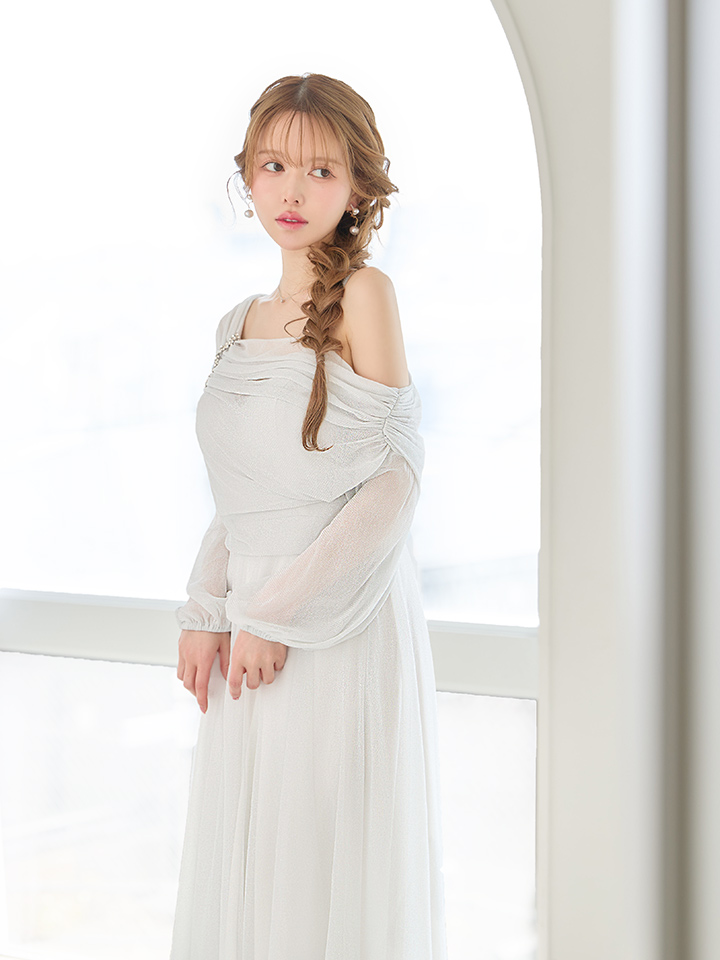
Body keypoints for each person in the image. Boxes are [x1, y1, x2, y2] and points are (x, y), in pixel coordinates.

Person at [170, 72, 448, 960]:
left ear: (358, 188)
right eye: (274, 166)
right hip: (252, 626)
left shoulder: (367, 295)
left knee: (320, 861)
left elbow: (394, 482)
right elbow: (242, 497)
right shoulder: (236, 324)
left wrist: (275, 612)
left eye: (321, 171)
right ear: (247, 177)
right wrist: (206, 610)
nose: (292, 190)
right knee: (257, 868)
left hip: (337, 616)